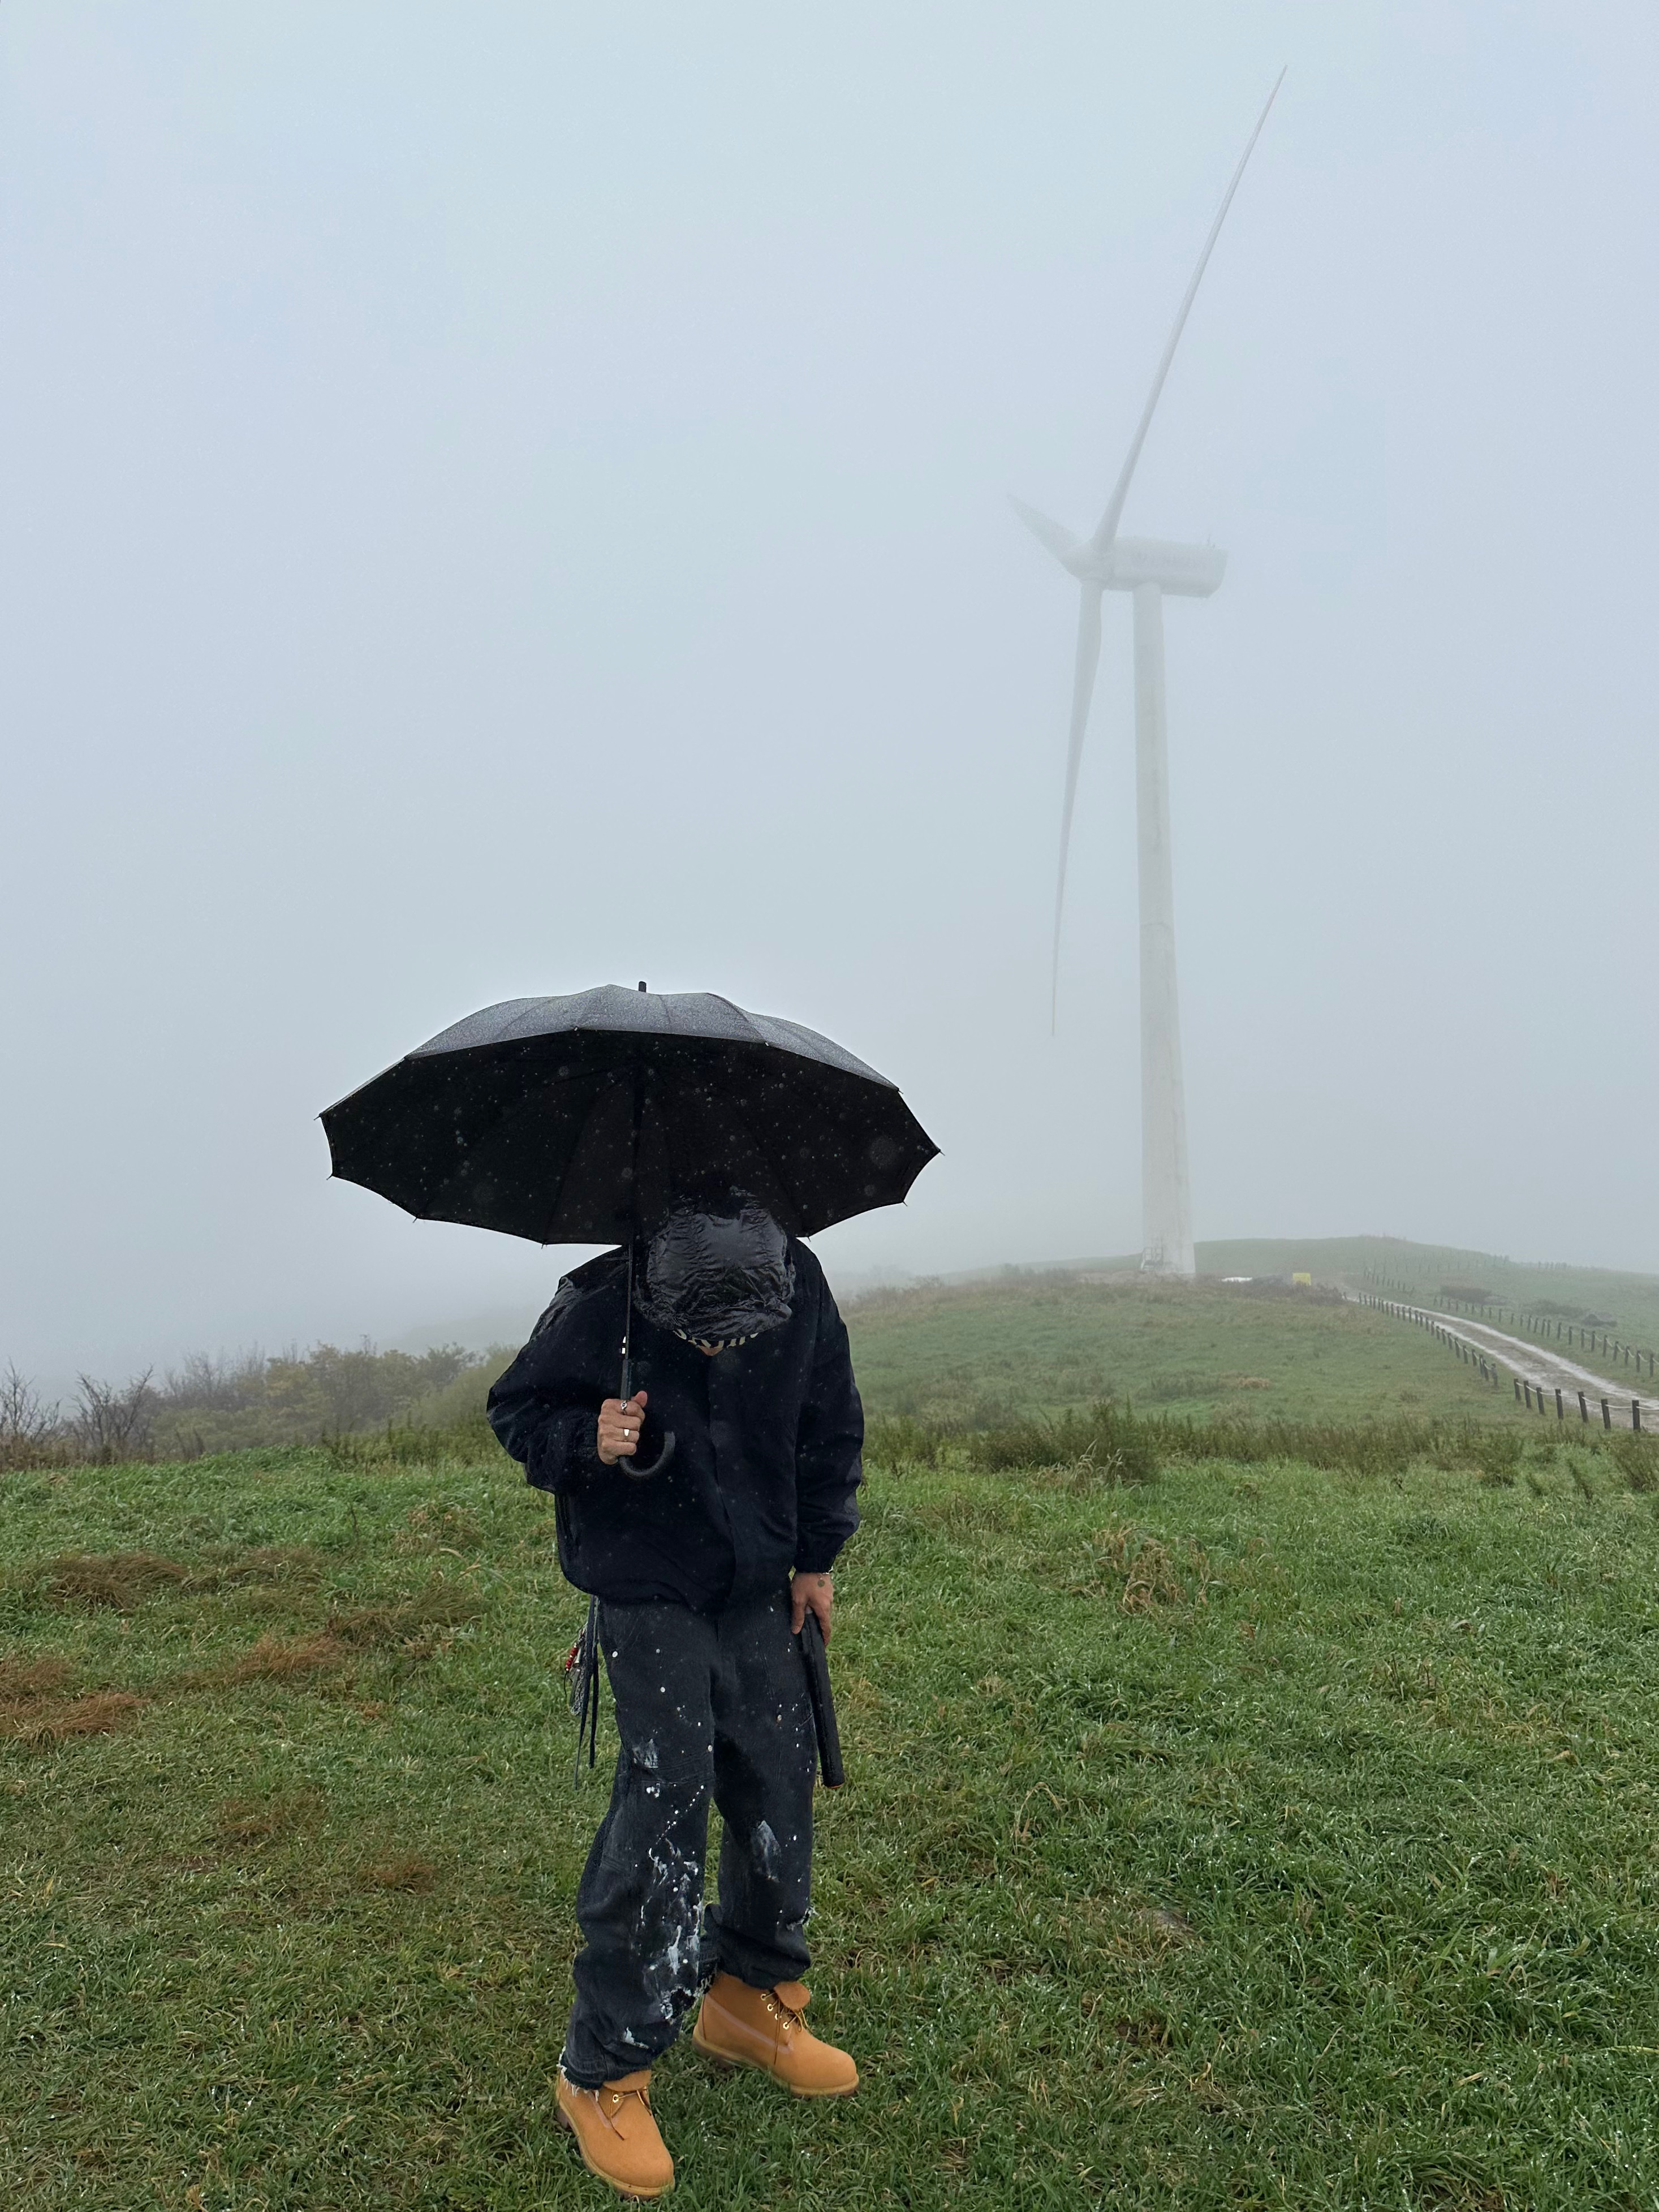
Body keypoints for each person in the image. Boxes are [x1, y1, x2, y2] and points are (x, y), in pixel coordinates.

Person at [488, 1191, 864, 2201]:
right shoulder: (599, 1295)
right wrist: (589, 1439)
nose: (719, 1348)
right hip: (644, 1581)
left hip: (761, 1580)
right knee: (667, 1796)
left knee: (776, 1781)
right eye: (698, 1332)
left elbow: (829, 1420)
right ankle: (603, 2068)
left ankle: (749, 1995)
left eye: (739, 1331)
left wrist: (817, 1554)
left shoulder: (803, 1280)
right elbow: (517, 1412)